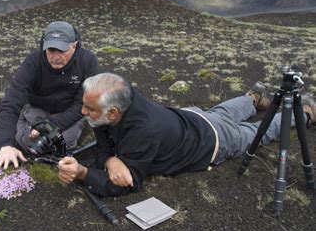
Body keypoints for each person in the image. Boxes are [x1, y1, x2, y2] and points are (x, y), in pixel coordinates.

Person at [58, 72, 316, 196]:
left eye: (89, 108)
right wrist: (110, 160)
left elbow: (127, 184)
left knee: (258, 131)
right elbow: (104, 137)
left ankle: (304, 113)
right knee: (221, 111)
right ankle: (252, 99)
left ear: (113, 112)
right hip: (192, 116)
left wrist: (82, 172)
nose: (82, 111)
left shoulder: (142, 133)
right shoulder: (121, 97)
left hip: (213, 141)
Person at [0, 21, 99, 170]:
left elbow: (82, 104)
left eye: (62, 50)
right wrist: (6, 145)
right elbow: (11, 102)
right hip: (38, 106)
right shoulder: (33, 61)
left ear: (74, 46)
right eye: (51, 50)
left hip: (68, 110)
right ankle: (24, 121)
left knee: (64, 143)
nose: (56, 56)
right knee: (27, 141)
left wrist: (50, 124)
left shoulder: (87, 61)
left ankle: (35, 126)